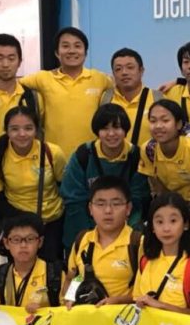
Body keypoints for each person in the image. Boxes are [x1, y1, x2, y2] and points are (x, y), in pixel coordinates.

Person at [0, 106, 67, 262]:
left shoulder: (52, 153)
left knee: (52, 268)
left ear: (37, 130)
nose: (22, 134)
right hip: (17, 224)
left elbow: (64, 187)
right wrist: (26, 218)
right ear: (6, 131)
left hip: (51, 222)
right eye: (15, 129)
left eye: (28, 128)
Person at [60, 103, 147, 250]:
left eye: (117, 128)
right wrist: (90, 237)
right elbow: (73, 200)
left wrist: (123, 234)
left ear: (125, 130)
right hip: (85, 229)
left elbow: (138, 201)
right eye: (105, 129)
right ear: (97, 131)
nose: (111, 134)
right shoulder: (83, 155)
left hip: (124, 232)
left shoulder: (136, 157)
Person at [16, 26, 112, 156]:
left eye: (77, 46)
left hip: (90, 157)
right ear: (57, 52)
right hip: (54, 157)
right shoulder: (43, 78)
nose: (72, 51)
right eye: (65, 46)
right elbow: (10, 84)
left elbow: (123, 86)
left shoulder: (99, 78)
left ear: (85, 53)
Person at [133, 192, 190, 317]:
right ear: (152, 227)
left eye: (173, 221)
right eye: (159, 222)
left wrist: (160, 306)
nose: (166, 228)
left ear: (186, 224)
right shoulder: (145, 262)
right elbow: (136, 301)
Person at [65, 176, 141, 307]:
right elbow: (75, 277)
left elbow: (146, 292)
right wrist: (70, 298)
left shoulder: (138, 243)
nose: (108, 211)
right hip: (86, 316)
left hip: (123, 317)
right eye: (100, 204)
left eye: (116, 204)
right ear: (90, 208)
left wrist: (118, 301)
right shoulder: (82, 240)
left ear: (128, 208)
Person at [138, 99, 190, 233]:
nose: (158, 126)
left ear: (178, 124)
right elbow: (159, 190)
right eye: (153, 121)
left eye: (165, 120)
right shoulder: (148, 149)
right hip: (171, 201)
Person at [0, 213, 57, 312]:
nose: (23, 245)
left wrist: (42, 311)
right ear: (6, 243)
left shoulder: (55, 274)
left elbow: (66, 310)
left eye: (30, 239)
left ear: (40, 242)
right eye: (16, 240)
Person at [104, 47, 156, 149]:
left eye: (130, 67)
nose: (124, 72)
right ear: (113, 74)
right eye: (118, 69)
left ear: (141, 71)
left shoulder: (157, 99)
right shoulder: (105, 99)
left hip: (147, 158)